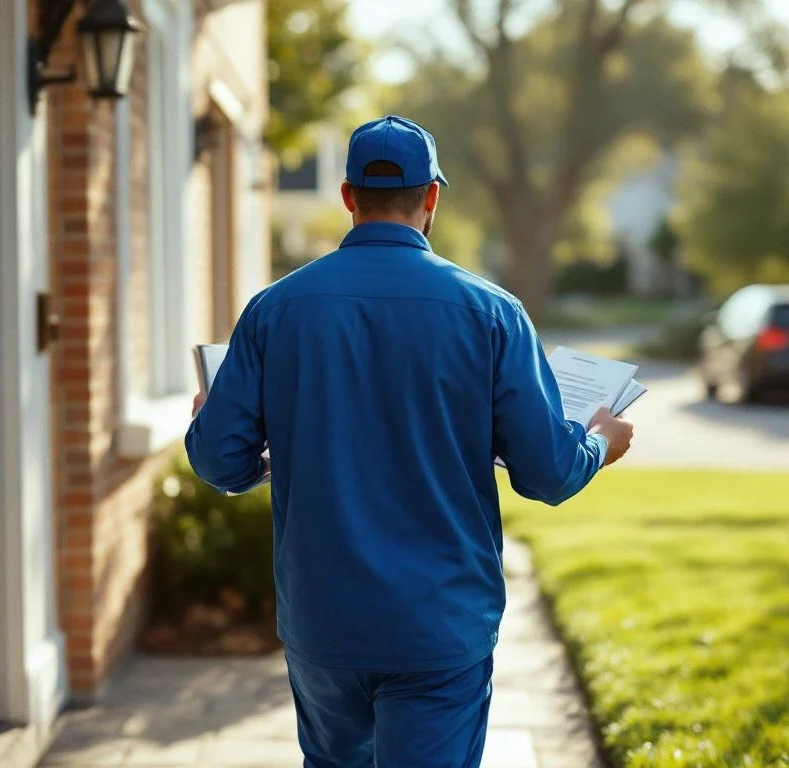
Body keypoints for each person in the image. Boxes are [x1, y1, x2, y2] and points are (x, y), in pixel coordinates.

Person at [185, 115, 633, 767]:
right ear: (432, 198)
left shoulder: (274, 310)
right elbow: (548, 471)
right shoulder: (493, 313)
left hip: (323, 619)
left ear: (348, 196)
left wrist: (213, 420)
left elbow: (220, 460)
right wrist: (599, 442)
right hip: (439, 624)